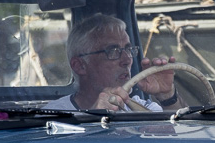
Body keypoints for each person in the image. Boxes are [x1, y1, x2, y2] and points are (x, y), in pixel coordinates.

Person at [43, 14, 180, 113]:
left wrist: (167, 96)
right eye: (113, 51)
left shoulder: (144, 108)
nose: (127, 60)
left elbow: (177, 142)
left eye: (128, 49)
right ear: (80, 66)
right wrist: (96, 117)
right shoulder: (55, 116)